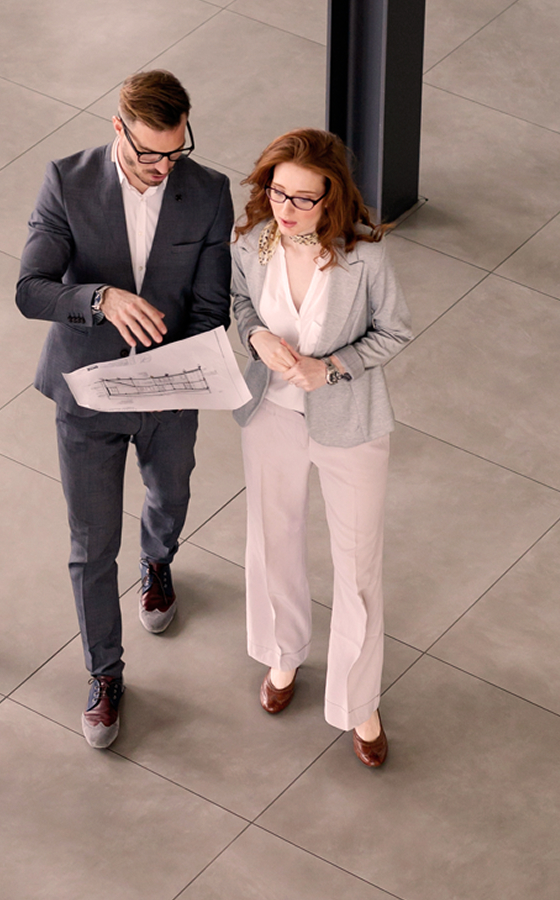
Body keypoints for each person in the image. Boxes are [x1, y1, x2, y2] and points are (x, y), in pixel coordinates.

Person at [17, 70, 232, 749]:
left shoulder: (209, 193)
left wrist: (187, 365)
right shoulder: (67, 181)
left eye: (176, 151)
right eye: (149, 154)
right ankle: (105, 674)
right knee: (91, 545)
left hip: (171, 392)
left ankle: (159, 558)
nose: (164, 167)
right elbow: (32, 289)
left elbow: (209, 305)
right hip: (85, 395)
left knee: (171, 494)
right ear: (118, 130)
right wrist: (101, 299)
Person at [230, 128, 412, 767]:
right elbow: (239, 306)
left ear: (331, 199)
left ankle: (359, 701)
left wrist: (327, 367)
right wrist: (255, 340)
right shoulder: (252, 241)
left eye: (304, 200)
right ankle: (284, 655)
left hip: (351, 424)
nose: (287, 208)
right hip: (270, 415)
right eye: (278, 192)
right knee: (272, 536)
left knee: (357, 564)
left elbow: (395, 332)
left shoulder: (363, 256)